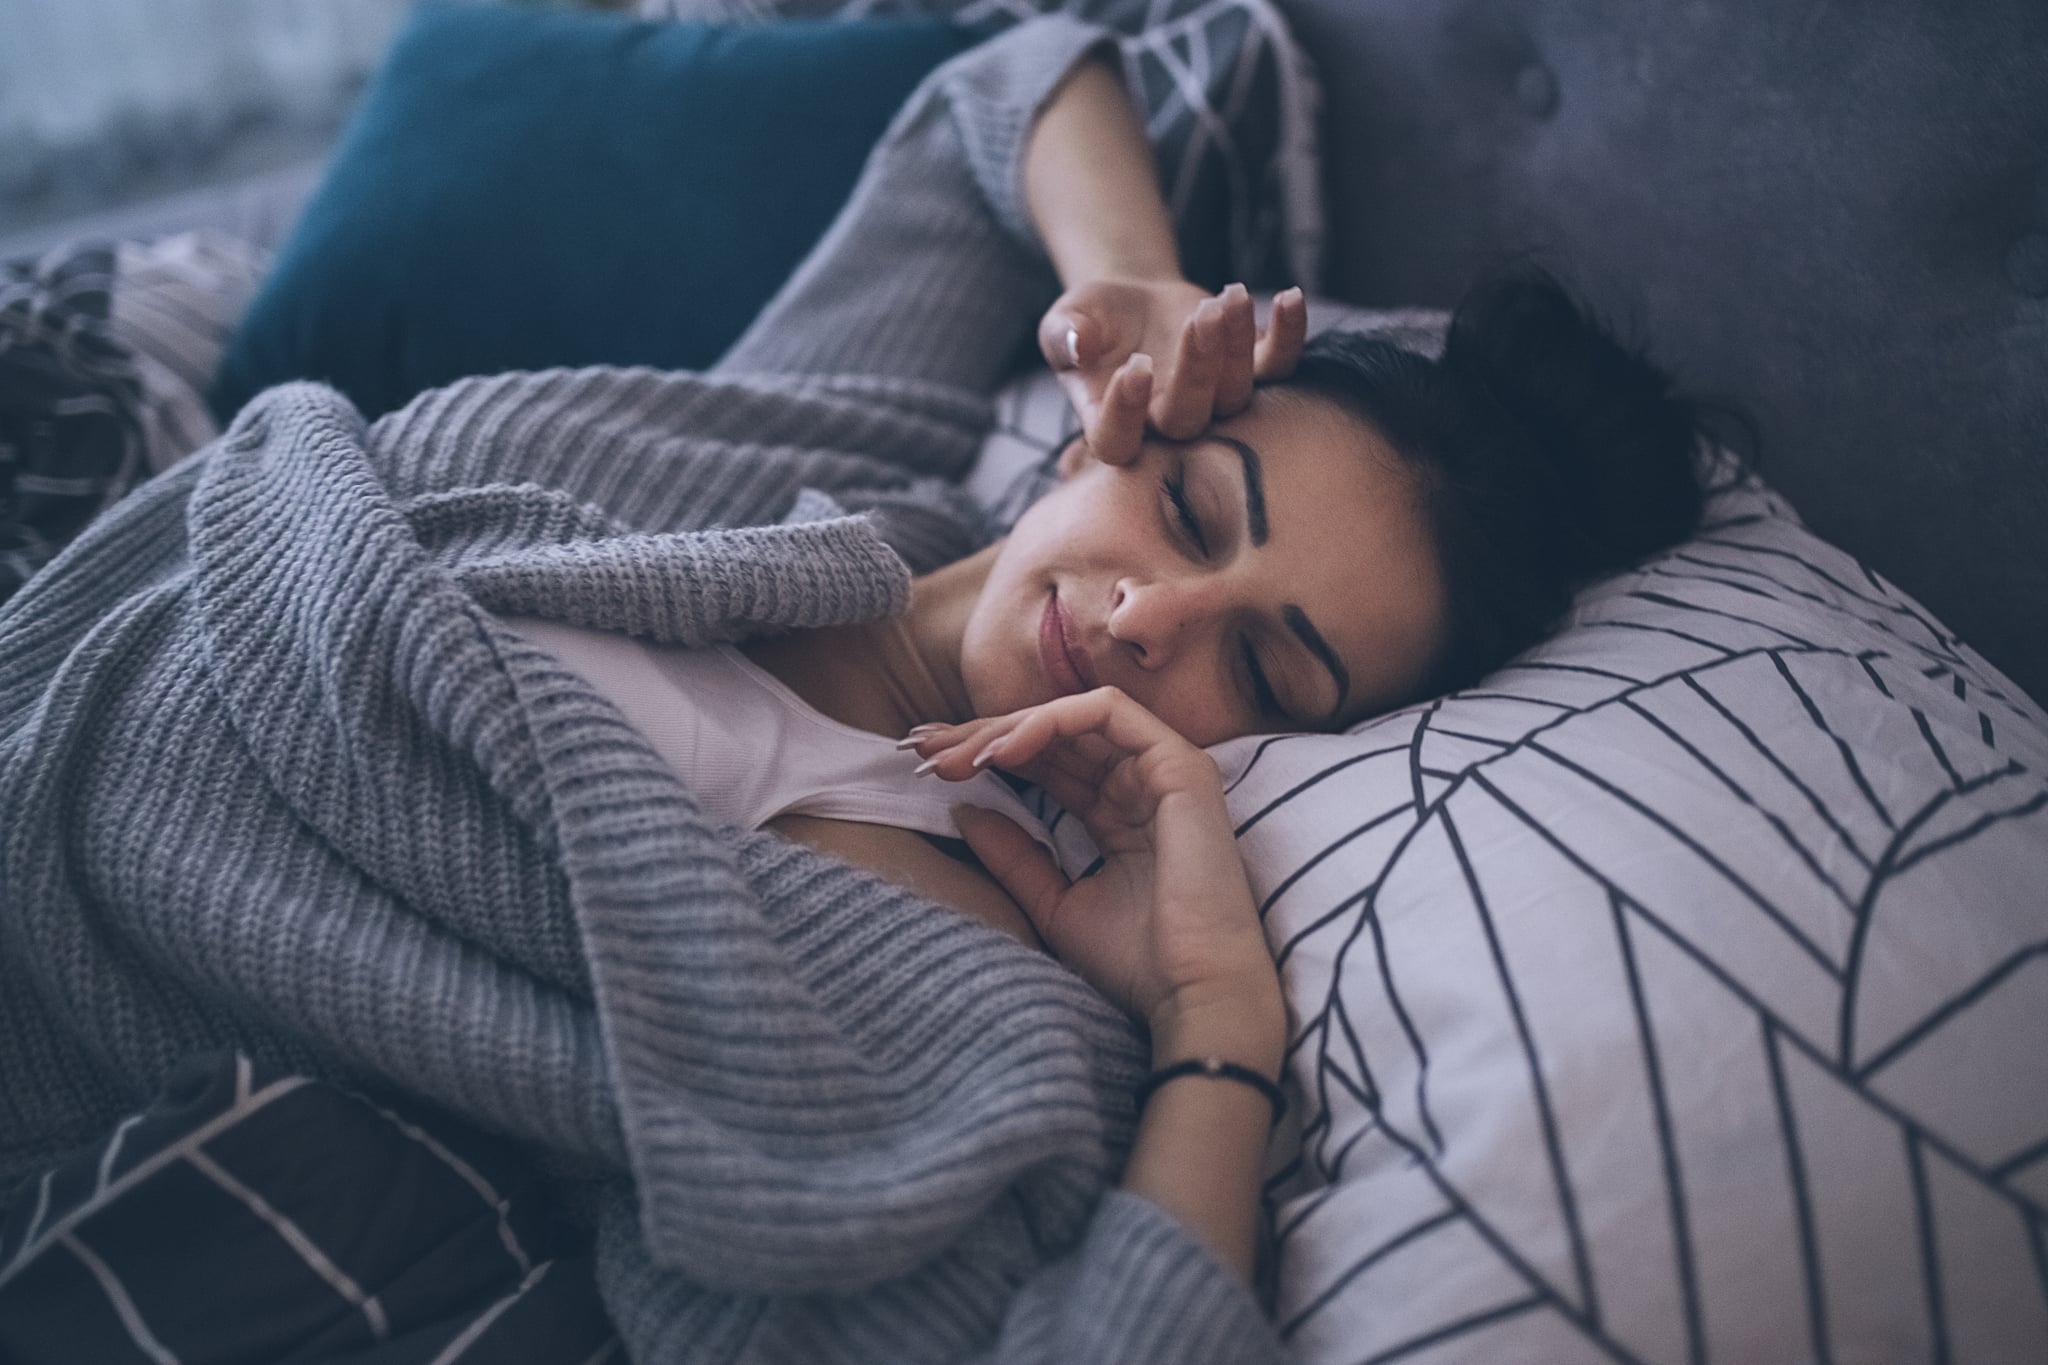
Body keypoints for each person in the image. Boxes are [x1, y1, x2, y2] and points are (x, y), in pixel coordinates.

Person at [0, 14, 1704, 1362]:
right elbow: (1015, 81)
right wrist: (1136, 277)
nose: (1143, 620)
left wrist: (1214, 1030)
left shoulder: (983, 995)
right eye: (1189, 508)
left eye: (1262, 663)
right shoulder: (859, 450)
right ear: (1142, 423)